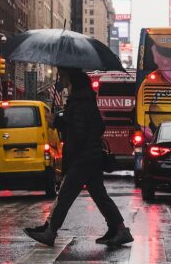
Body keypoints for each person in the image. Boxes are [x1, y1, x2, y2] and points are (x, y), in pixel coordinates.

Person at [25, 68, 133, 249]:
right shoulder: (84, 100)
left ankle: (50, 231)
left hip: (83, 158)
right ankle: (120, 230)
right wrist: (61, 121)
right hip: (91, 157)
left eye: (64, 76)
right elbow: (91, 127)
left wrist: (58, 123)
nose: (63, 80)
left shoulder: (79, 103)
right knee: (100, 196)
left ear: (73, 80)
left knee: (65, 195)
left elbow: (78, 134)